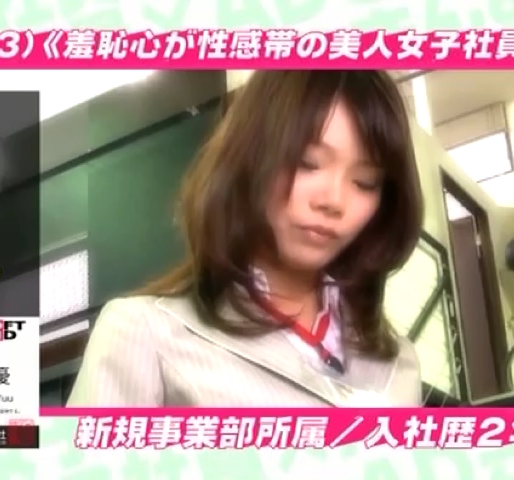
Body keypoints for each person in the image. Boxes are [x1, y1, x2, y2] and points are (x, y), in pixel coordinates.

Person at [68, 71, 424, 407]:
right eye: (307, 162)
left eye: (365, 182)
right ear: (249, 157)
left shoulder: (398, 365)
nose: (333, 200)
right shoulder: (143, 333)